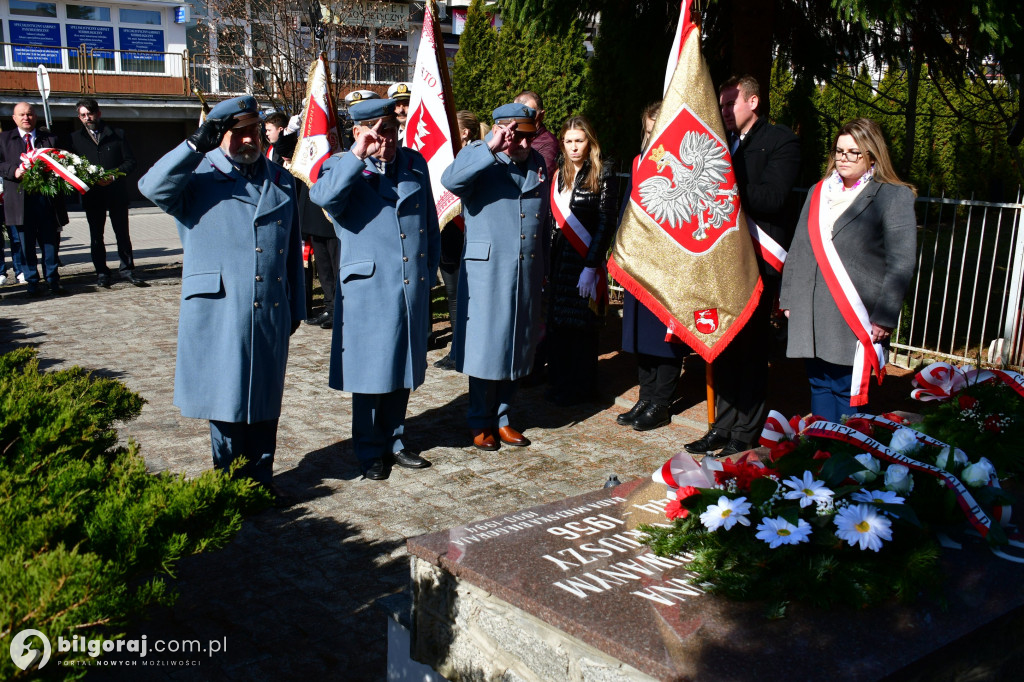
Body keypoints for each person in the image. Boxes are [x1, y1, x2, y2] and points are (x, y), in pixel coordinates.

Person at [137, 95, 305, 493]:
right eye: (239, 132)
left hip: (268, 308)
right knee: (227, 398)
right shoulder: (197, 175)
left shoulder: (278, 177)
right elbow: (150, 186)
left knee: (264, 398)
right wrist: (196, 145)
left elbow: (291, 248)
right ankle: (230, 484)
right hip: (220, 308)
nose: (249, 140)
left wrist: (296, 306)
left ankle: (261, 481)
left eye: (254, 131)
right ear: (220, 135)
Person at [309, 98, 439, 480]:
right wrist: (357, 154)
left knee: (402, 365)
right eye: (379, 131)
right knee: (370, 373)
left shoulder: (414, 163)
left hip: (408, 283)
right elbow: (323, 197)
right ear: (359, 132)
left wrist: (426, 273)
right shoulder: (340, 165)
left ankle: (395, 442)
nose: (388, 138)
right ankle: (368, 450)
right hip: (367, 287)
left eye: (392, 129)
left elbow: (428, 224)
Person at [683, 75, 801, 456]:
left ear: (753, 101)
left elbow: (773, 198)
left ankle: (745, 430)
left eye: (729, 103)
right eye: (720, 105)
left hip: (758, 260)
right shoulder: (723, 143)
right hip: (723, 259)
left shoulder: (781, 141)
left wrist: (721, 186)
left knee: (750, 350)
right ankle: (722, 424)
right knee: (723, 345)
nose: (723, 111)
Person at [780, 118, 917, 422]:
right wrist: (788, 299)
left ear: (872, 155)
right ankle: (819, 456)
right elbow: (799, 246)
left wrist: (885, 315)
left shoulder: (893, 196)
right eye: (839, 151)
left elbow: (902, 261)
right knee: (818, 383)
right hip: (811, 309)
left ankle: (848, 462)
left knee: (847, 390)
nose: (843, 158)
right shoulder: (819, 192)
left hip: (854, 313)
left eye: (853, 152)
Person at [441, 102, 551, 451]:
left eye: (528, 137)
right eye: (514, 135)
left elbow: (543, 219)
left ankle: (504, 417)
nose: (521, 144)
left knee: (518, 345)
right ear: (501, 129)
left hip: (525, 268)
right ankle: (479, 420)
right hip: (487, 271)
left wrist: (542, 269)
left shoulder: (537, 163)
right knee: (487, 348)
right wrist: (491, 146)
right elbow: (450, 180)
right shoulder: (480, 156)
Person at [616, 101, 692, 430]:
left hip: (670, 264)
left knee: (665, 336)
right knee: (640, 334)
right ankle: (645, 396)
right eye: (648, 131)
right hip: (640, 263)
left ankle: (661, 401)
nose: (652, 138)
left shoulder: (683, 168)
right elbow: (627, 211)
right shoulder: (638, 163)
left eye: (658, 131)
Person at [545, 115, 619, 405]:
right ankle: (560, 384)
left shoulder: (604, 172)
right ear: (562, 144)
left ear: (590, 142)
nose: (574, 147)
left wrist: (591, 265)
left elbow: (606, 221)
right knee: (559, 328)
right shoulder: (558, 172)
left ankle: (583, 388)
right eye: (569, 141)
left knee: (583, 331)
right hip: (560, 261)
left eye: (579, 140)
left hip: (584, 261)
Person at [69, 98, 142, 288]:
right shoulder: (75, 139)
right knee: (96, 236)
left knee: (122, 234)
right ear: (79, 117)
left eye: (90, 114)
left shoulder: (117, 134)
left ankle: (127, 270)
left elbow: (130, 162)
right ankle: (101, 272)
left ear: (98, 113)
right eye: (83, 115)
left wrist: (114, 176)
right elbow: (71, 167)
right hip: (93, 195)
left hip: (116, 192)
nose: (88, 118)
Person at [0, 102, 69, 297]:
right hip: (20, 202)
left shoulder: (51, 138)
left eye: (29, 114)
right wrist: (13, 171)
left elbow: (64, 162)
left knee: (50, 244)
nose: (26, 118)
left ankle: (53, 280)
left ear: (35, 117)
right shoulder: (4, 139)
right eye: (21, 115)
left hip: (46, 202)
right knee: (25, 244)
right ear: (14, 118)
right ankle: (31, 281)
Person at [434, 110, 483, 371]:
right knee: (452, 293)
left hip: (462, 229)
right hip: (446, 229)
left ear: (465, 132)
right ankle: (458, 347)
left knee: (461, 295)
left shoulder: (473, 156)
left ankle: (460, 349)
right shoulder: (446, 154)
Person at [513, 90, 558, 178]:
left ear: (541, 115)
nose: (523, 120)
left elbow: (540, 180)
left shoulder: (549, 144)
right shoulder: (512, 137)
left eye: (529, 114)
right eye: (517, 115)